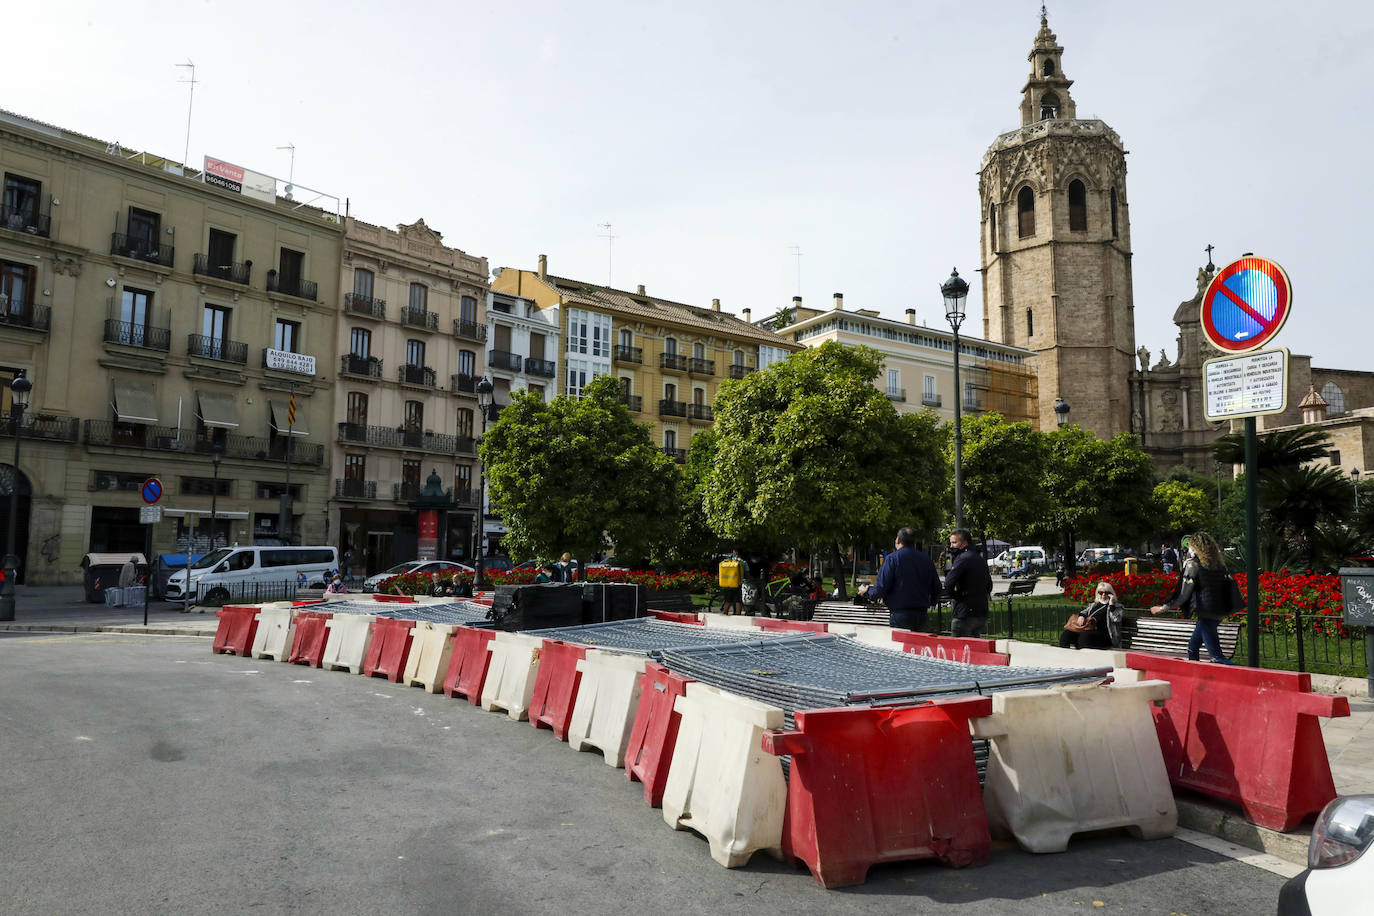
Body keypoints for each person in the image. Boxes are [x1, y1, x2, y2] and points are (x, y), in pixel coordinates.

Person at [1150, 531, 1236, 664]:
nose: (1188, 549)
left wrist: (1163, 608)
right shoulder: (1218, 565)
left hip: (1207, 612)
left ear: (1195, 547)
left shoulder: (1193, 565)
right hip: (1219, 611)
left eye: (1190, 546)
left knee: (1216, 657)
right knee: (1192, 647)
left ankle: (1250, 679)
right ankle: (1196, 678)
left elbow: (1183, 594)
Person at [858, 528, 941, 631]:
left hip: (900, 614)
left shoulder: (892, 559)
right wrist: (931, 602)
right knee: (917, 646)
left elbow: (881, 587)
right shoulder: (927, 560)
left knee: (900, 646)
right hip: (921, 614)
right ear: (914, 542)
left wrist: (867, 591)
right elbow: (937, 587)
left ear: (898, 540)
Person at [945, 529, 993, 637]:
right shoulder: (979, 558)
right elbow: (989, 585)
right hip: (981, 612)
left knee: (959, 649)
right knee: (974, 648)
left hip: (964, 612)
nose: (951, 546)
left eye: (954, 542)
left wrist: (957, 597)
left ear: (964, 543)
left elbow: (948, 584)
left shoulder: (962, 559)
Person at [1059, 581, 1118, 650]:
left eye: (1107, 593)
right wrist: (1082, 616)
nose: (1103, 595)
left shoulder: (1116, 607)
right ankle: (1065, 656)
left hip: (1103, 635)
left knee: (1084, 636)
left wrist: (1111, 605)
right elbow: (1084, 612)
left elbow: (1116, 619)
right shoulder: (1094, 605)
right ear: (1097, 593)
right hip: (1088, 629)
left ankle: (1083, 658)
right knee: (1067, 634)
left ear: (1111, 594)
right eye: (1101, 592)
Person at [718, 548, 747, 616]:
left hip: (728, 583)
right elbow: (746, 572)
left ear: (735, 553)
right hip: (738, 583)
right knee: (738, 600)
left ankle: (725, 612)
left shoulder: (728, 561)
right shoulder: (743, 562)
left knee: (728, 599)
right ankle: (738, 614)